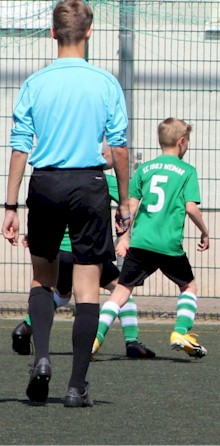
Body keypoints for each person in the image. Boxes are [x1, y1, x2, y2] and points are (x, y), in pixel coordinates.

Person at [3, 0, 130, 408]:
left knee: (42, 277)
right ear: (89, 32)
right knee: (88, 287)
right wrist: (124, 201)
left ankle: (41, 359)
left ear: (52, 33)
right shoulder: (105, 82)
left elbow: (20, 147)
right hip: (90, 183)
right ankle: (76, 385)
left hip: (45, 183)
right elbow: (121, 148)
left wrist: (9, 206)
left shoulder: (35, 83)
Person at [11, 147, 154, 359]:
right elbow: (131, 203)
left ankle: (26, 326)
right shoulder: (101, 181)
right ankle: (131, 342)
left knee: (61, 294)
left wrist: (32, 235)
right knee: (122, 289)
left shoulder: (60, 178)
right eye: (107, 151)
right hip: (84, 253)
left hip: (60, 253)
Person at [92, 118, 210, 360]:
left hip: (141, 243)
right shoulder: (187, 171)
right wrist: (204, 230)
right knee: (188, 286)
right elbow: (190, 207)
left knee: (121, 291)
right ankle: (180, 332)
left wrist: (123, 238)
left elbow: (130, 207)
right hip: (168, 245)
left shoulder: (144, 169)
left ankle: (95, 339)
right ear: (182, 142)